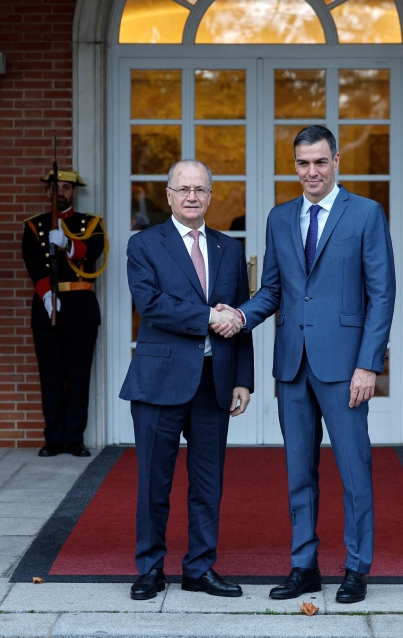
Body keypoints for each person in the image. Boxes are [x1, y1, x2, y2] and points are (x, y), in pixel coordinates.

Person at [215, 125, 396, 604]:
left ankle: (357, 567)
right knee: (299, 471)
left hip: (345, 367)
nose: (311, 171)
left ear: (336, 161)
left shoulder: (367, 214)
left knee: (355, 470)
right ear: (294, 165)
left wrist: (369, 364)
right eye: (302, 163)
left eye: (319, 161)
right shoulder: (279, 218)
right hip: (292, 365)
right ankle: (305, 565)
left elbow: (382, 294)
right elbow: (272, 291)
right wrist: (239, 316)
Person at [121, 159, 254, 601]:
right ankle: (150, 568)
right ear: (169, 195)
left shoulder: (229, 248)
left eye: (200, 189)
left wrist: (243, 379)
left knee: (207, 483)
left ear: (211, 195)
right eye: (184, 189)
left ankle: (200, 568)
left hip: (215, 381)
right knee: (153, 482)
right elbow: (151, 304)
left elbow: (240, 319)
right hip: (159, 381)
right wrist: (206, 316)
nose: (192, 196)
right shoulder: (144, 244)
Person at [22, 169, 107, 458]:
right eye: (55, 187)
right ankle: (54, 438)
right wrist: (46, 294)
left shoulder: (90, 223)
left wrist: (69, 244)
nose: (60, 191)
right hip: (48, 308)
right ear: (48, 192)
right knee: (51, 377)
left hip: (81, 308)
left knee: (79, 377)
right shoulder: (35, 225)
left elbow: (94, 249)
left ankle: (75, 439)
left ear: (74, 192)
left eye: (66, 187)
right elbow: (33, 262)